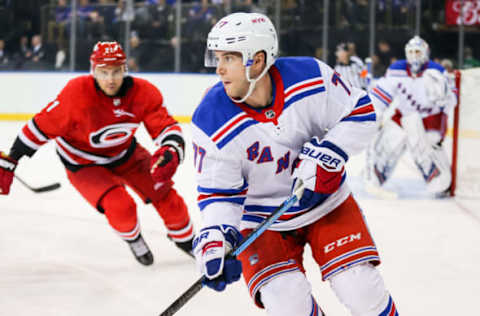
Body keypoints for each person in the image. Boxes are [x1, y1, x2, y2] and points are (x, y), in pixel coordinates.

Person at [191, 12, 399, 316]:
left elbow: (361, 112)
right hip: (261, 222)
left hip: (326, 203)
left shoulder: (310, 76)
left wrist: (331, 152)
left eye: (230, 58)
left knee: (361, 288)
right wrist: (216, 237)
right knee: (287, 305)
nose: (219, 68)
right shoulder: (211, 118)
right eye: (218, 57)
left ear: (258, 60)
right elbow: (219, 195)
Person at [0, 41, 194, 266]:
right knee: (121, 207)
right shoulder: (76, 94)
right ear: (94, 71)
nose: (110, 79)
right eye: (103, 72)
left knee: (168, 197)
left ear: (125, 69)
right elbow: (40, 127)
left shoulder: (143, 92)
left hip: (126, 154)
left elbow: (165, 126)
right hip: (83, 163)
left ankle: (187, 241)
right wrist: (12, 158)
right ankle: (134, 238)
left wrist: (171, 150)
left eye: (115, 72)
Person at [367, 35, 457, 197]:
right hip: (404, 116)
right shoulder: (397, 70)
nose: (414, 55)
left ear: (425, 53)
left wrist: (444, 96)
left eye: (418, 51)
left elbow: (452, 99)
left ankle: (439, 181)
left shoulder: (437, 71)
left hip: (431, 119)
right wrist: (374, 114)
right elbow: (380, 97)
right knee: (389, 140)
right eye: (411, 51)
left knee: (424, 147)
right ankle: (376, 177)